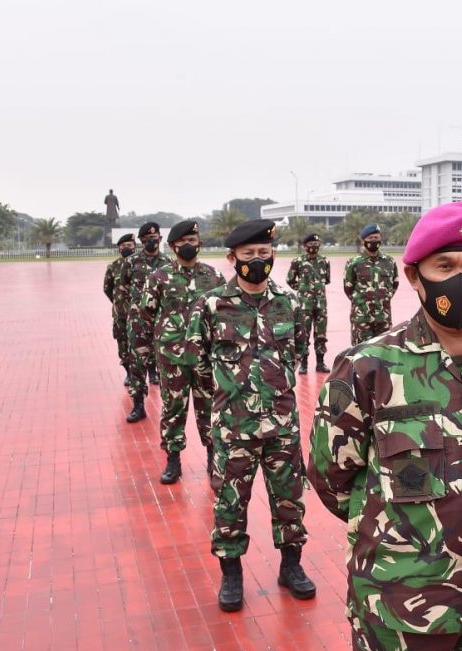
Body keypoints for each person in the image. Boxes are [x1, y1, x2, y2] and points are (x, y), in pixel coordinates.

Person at [309, 201, 462, 651]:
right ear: (415, 276)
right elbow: (331, 475)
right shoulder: (367, 367)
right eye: (446, 266)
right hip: (401, 611)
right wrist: (389, 536)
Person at [184, 219, 315, 612]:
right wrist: (229, 402)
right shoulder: (211, 305)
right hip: (234, 427)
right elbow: (199, 365)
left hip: (282, 425)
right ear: (232, 258)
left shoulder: (289, 303)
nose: (258, 261)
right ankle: (231, 573)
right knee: (229, 503)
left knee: (290, 500)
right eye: (249, 255)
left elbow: (297, 349)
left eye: (264, 254)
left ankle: (291, 567)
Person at [133, 220, 225, 484]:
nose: (188, 246)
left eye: (192, 241)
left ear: (200, 243)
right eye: (182, 243)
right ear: (173, 246)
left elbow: (223, 314)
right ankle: (173, 460)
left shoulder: (213, 276)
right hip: (172, 358)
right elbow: (146, 315)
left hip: (205, 359)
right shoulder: (159, 277)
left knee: (209, 408)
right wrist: (151, 349)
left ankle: (212, 457)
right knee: (173, 409)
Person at [121, 222, 169, 423]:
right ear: (141, 241)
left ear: (160, 238)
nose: (152, 240)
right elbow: (123, 290)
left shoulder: (168, 263)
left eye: (155, 236)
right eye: (147, 238)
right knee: (137, 365)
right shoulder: (131, 263)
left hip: (163, 323)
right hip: (139, 323)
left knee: (168, 364)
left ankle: (170, 408)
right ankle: (138, 405)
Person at [343, 224, 399, 345]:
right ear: (364, 241)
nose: (374, 241)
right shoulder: (354, 262)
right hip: (362, 317)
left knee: (384, 351)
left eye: (376, 237)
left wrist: (384, 298)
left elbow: (394, 284)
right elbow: (348, 287)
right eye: (371, 238)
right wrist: (361, 302)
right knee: (360, 352)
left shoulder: (389, 261)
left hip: (383, 316)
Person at [286, 233, 331, 374]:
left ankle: (320, 362)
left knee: (321, 335)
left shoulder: (325, 261)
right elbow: (290, 279)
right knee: (304, 334)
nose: (314, 246)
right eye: (310, 244)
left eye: (316, 244)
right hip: (304, 305)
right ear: (305, 246)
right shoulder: (298, 261)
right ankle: (304, 363)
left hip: (321, 305)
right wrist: (301, 290)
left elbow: (327, 279)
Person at [104, 233, 137, 386]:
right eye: (123, 246)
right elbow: (107, 288)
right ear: (118, 249)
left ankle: (152, 372)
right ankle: (129, 374)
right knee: (123, 345)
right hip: (121, 315)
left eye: (129, 246)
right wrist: (119, 302)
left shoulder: (141, 265)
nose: (126, 248)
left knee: (146, 345)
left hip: (140, 314)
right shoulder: (113, 267)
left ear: (135, 247)